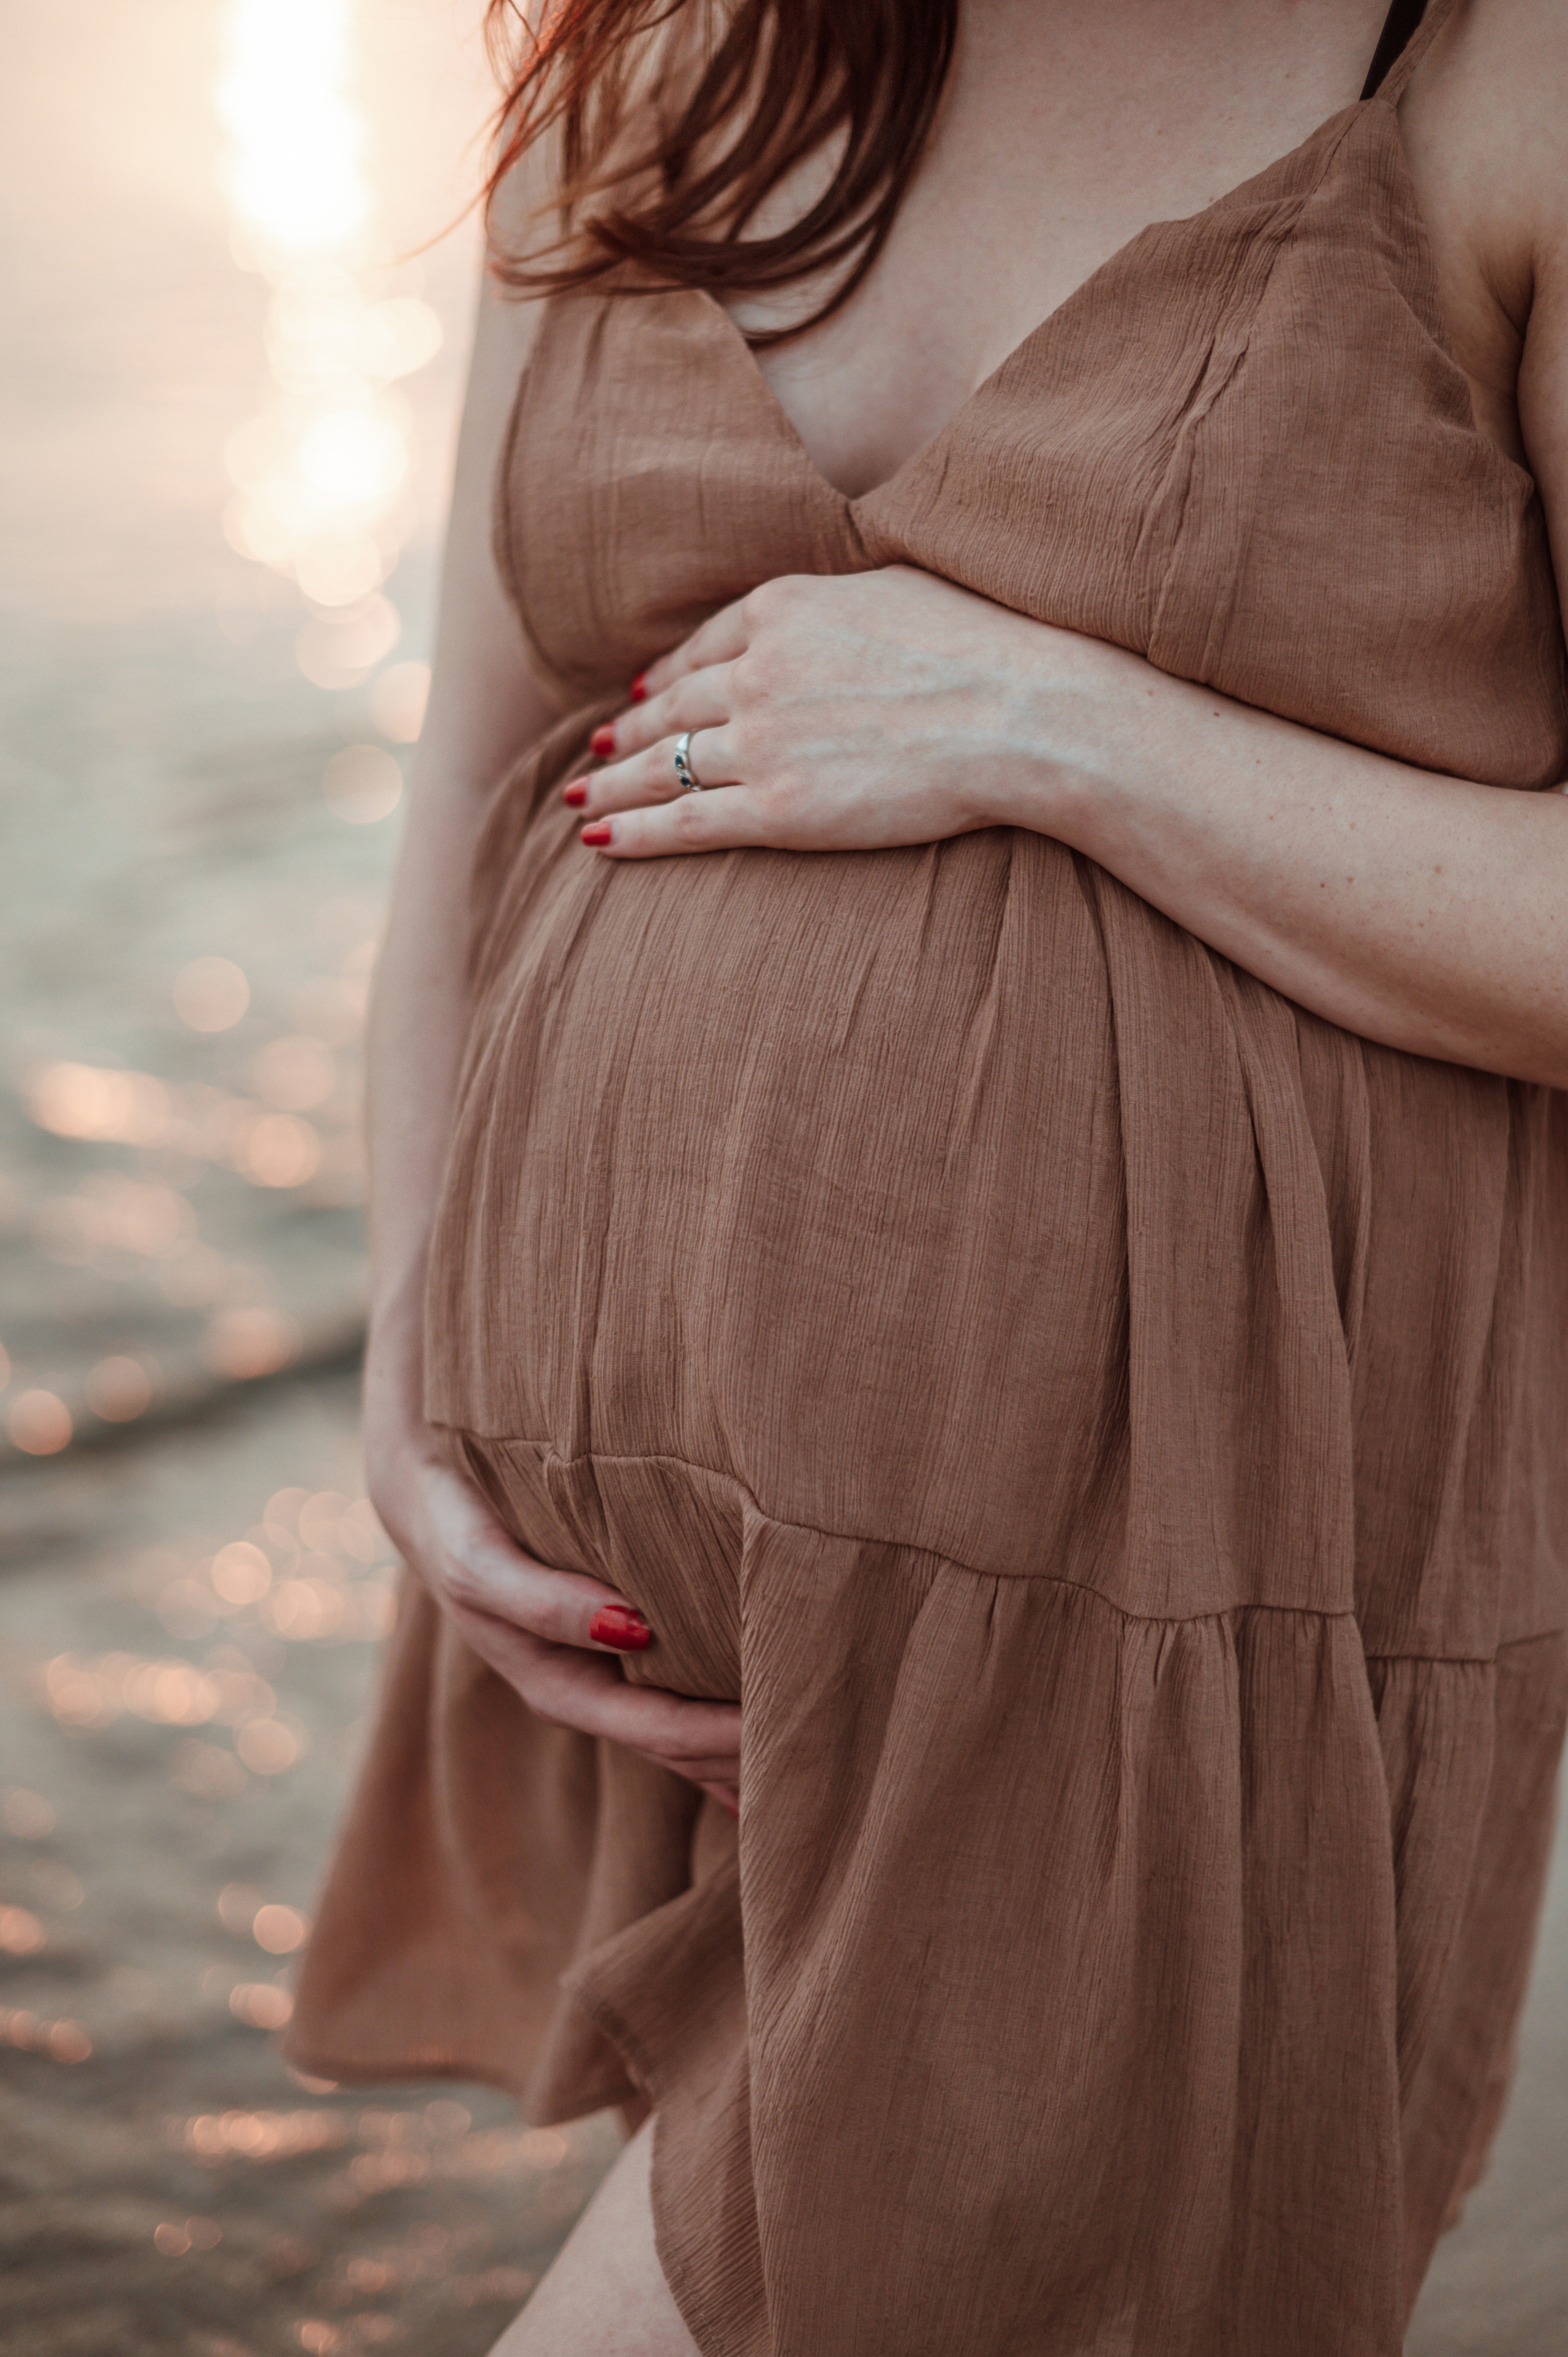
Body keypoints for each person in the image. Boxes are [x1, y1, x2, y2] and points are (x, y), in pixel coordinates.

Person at [285, 0, 1568, 2348]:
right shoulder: (651, 60)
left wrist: (1055, 725)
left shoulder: (1505, 89)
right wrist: (407, 1377)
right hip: (678, 1671)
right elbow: (476, 770)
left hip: (1165, 1629)